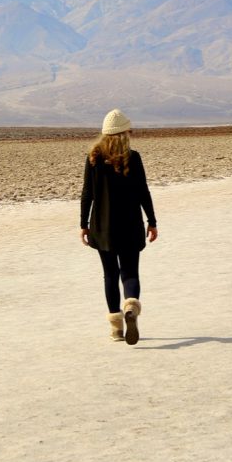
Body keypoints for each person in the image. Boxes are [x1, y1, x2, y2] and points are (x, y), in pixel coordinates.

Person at [80, 109, 158, 344]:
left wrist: (83, 224)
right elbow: (143, 191)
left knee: (110, 275)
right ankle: (131, 306)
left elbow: (87, 194)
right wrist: (152, 221)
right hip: (130, 224)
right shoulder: (133, 158)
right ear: (125, 134)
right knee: (130, 272)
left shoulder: (93, 157)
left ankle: (116, 329)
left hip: (102, 226)